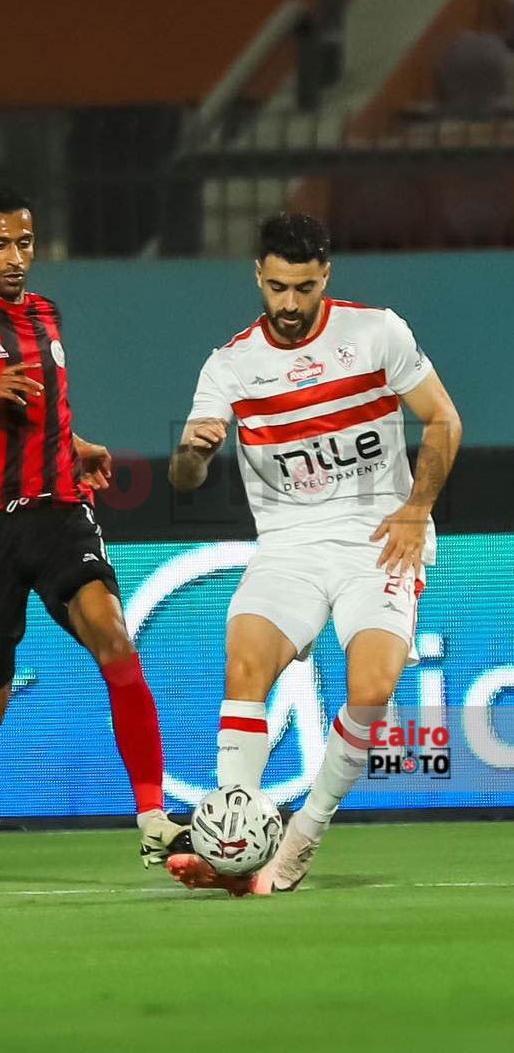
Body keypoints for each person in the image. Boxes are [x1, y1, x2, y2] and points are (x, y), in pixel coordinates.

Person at [0, 189, 189, 869]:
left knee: (113, 635)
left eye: (24, 243)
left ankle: (152, 818)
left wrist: (75, 445)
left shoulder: (46, 314)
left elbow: (38, 408)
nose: (15, 257)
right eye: (0, 244)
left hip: (58, 511)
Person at [167, 212, 461, 895]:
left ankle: (302, 835)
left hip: (376, 538)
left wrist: (416, 509)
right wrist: (192, 454)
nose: (290, 303)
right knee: (245, 665)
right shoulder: (229, 365)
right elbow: (183, 477)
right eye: (277, 288)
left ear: (324, 275)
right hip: (288, 546)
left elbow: (443, 418)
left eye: (303, 287)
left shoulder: (376, 332)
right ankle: (231, 846)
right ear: (258, 278)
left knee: (372, 689)